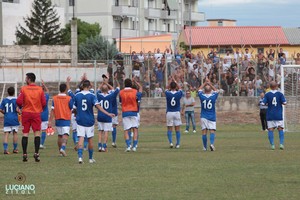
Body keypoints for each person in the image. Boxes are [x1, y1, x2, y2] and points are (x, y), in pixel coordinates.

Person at [73, 79, 114, 164]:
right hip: (89, 120)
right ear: (89, 87)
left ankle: (80, 158)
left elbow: (74, 108)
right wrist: (108, 113)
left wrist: (77, 114)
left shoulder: (77, 95)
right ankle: (90, 158)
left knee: (81, 138)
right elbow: (98, 107)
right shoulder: (92, 96)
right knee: (90, 139)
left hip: (80, 120)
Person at [17, 72, 46, 162]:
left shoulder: (24, 89)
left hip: (26, 113)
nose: (25, 80)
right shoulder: (40, 89)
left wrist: (21, 106)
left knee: (25, 133)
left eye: (26, 78)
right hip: (36, 113)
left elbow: (18, 101)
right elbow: (44, 103)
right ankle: (36, 154)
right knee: (37, 133)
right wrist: (38, 107)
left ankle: (25, 154)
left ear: (29, 79)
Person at [48, 81, 73, 156]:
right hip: (66, 119)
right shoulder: (69, 98)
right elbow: (72, 108)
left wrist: (50, 121)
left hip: (58, 119)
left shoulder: (54, 98)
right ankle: (63, 148)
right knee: (65, 134)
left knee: (59, 135)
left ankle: (60, 152)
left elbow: (52, 110)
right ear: (65, 89)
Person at [119, 78, 142, 152]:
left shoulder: (121, 92)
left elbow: (120, 103)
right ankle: (134, 146)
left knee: (126, 130)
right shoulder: (135, 91)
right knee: (135, 129)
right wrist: (136, 82)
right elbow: (141, 89)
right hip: (134, 111)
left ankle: (128, 146)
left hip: (125, 112)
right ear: (131, 84)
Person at [262, 81, 287, 150]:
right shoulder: (280, 94)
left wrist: (268, 104)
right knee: (280, 128)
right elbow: (284, 102)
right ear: (276, 86)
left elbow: (263, 103)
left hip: (270, 115)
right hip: (278, 114)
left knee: (270, 129)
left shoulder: (267, 94)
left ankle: (272, 145)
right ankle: (281, 144)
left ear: (269, 87)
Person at [96, 81, 119, 152]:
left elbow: (97, 89)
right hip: (107, 116)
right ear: (108, 90)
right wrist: (107, 83)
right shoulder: (111, 95)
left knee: (100, 131)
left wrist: (102, 83)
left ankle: (99, 145)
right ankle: (104, 146)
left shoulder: (99, 95)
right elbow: (117, 88)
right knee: (106, 131)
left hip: (100, 115)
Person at [198, 78, 219, 151]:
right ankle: (212, 144)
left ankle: (204, 147)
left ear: (204, 90)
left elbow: (199, 90)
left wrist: (204, 83)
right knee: (212, 131)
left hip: (203, 116)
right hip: (212, 116)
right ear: (211, 90)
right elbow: (216, 91)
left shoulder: (202, 96)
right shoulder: (213, 96)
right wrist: (210, 84)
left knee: (204, 131)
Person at [0, 87, 20, 154]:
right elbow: (17, 109)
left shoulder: (4, 100)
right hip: (14, 118)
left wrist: (5, 113)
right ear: (14, 92)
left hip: (7, 118)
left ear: (7, 92)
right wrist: (20, 112)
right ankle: (15, 149)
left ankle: (5, 150)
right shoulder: (16, 100)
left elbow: (0, 109)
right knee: (15, 133)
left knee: (6, 134)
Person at [165, 77, 183, 148]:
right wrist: (175, 81)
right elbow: (180, 88)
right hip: (176, 112)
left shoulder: (168, 93)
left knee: (169, 129)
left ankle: (171, 143)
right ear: (176, 87)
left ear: (170, 87)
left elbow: (166, 88)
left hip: (169, 112)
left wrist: (170, 81)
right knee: (177, 129)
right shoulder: (178, 93)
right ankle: (178, 144)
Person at [40, 80, 49, 149]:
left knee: (37, 130)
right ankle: (41, 144)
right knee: (43, 130)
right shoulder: (45, 96)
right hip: (45, 115)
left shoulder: (37, 97)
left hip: (38, 114)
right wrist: (44, 85)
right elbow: (48, 91)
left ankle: (37, 144)